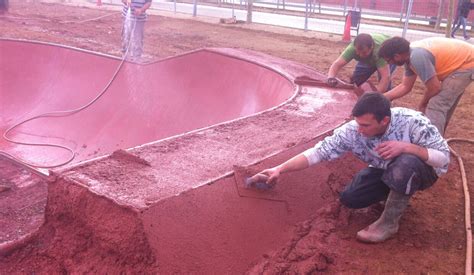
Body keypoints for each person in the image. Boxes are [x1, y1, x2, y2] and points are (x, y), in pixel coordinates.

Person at [250, 93, 450, 243]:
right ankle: (395, 195)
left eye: (365, 125)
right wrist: (279, 169)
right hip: (385, 169)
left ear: (385, 121)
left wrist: (408, 147)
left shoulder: (412, 122)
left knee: (406, 162)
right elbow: (318, 152)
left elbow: (443, 159)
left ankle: (388, 224)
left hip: (422, 170)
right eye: (357, 124)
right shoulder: (353, 131)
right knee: (351, 198)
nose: (359, 131)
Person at [378, 36, 474, 135]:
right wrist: (382, 97)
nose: (389, 63)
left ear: (397, 56)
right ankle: (438, 137)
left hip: (467, 63)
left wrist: (423, 103)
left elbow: (435, 87)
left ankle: (434, 144)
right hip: (463, 62)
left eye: (389, 61)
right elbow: (405, 86)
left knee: (436, 104)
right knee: (443, 103)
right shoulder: (409, 57)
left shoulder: (417, 57)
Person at [327, 33, 396, 93]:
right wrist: (331, 78)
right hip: (369, 58)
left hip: (388, 54)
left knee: (384, 84)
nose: (360, 55)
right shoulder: (352, 49)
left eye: (364, 52)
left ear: (371, 47)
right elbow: (337, 64)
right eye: (358, 52)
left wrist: (375, 97)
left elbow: (385, 77)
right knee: (356, 81)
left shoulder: (380, 52)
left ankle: (386, 101)